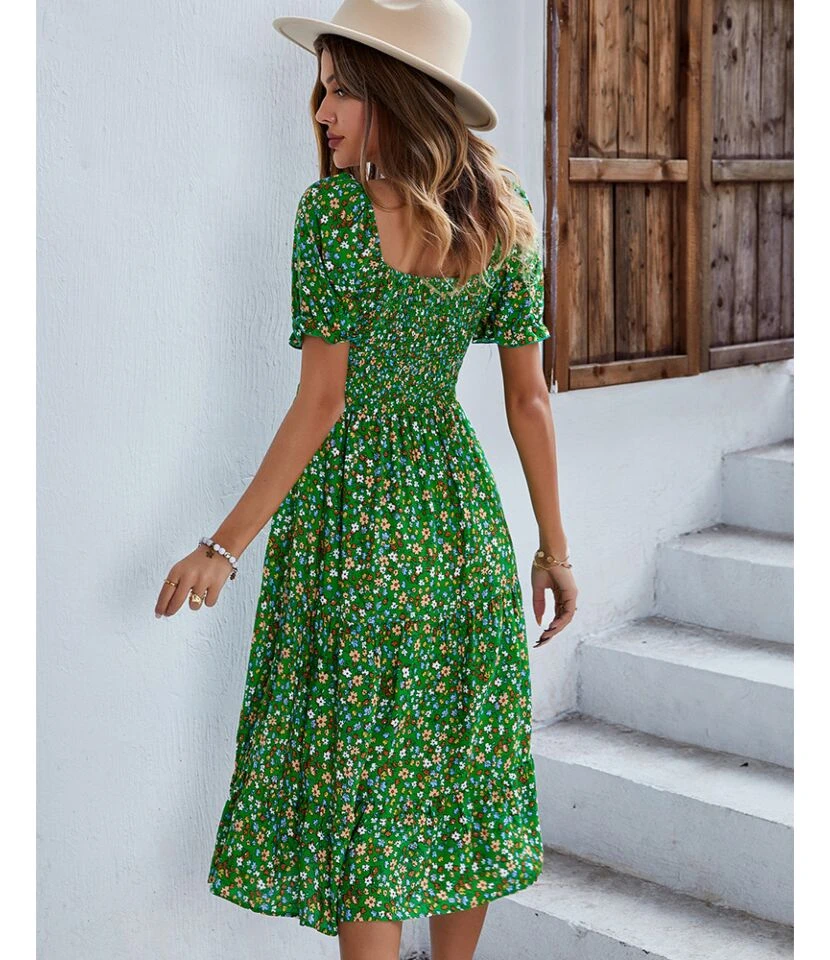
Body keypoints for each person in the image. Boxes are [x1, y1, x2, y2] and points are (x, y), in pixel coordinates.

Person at [154, 2, 578, 958]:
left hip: (354, 535)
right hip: (458, 525)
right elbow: (529, 401)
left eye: (342, 91)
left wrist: (223, 545)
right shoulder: (503, 211)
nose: (322, 112)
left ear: (397, 94)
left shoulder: (335, 218)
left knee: (364, 795)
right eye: (322, 90)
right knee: (459, 777)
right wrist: (553, 550)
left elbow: (324, 402)